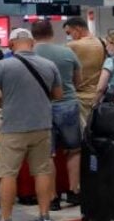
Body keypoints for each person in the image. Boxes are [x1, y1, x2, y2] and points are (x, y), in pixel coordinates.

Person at [0, 28, 63, 221]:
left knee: (8, 173)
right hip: (42, 126)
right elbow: (58, 94)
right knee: (43, 170)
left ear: (10, 45)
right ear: (32, 43)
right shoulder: (49, 65)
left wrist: (5, 100)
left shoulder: (2, 65)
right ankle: (44, 216)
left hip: (13, 128)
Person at [32, 20, 83, 207]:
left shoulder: (30, 55)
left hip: (41, 106)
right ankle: (74, 190)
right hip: (68, 104)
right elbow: (78, 81)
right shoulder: (67, 52)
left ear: (33, 35)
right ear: (52, 32)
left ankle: (53, 197)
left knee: (48, 153)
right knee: (74, 150)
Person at [63, 17, 107, 126]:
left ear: (77, 29)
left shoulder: (72, 46)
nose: (70, 36)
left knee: (82, 133)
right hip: (99, 95)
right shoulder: (102, 42)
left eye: (69, 32)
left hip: (80, 97)